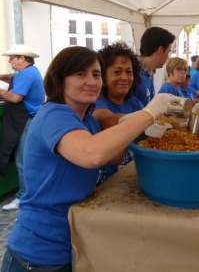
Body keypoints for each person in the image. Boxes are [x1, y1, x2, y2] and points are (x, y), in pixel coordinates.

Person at [0, 46, 181, 272]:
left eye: (96, 74)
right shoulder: (54, 114)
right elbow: (92, 155)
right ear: (60, 79)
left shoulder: (86, 119)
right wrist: (151, 112)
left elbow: (113, 157)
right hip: (38, 254)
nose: (91, 81)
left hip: (73, 243)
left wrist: (132, 125)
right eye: (80, 74)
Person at [0, 44, 45, 211]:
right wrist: (4, 77)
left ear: (22, 59)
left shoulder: (26, 75)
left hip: (25, 121)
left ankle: (23, 197)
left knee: (22, 161)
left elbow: (15, 97)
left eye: (12, 57)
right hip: (31, 119)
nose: (10, 61)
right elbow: (14, 78)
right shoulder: (31, 72)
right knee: (28, 159)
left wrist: (1, 92)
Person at [92, 42, 143, 183]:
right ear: (102, 76)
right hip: (106, 185)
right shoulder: (97, 102)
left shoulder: (134, 103)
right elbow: (109, 121)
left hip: (130, 179)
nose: (125, 78)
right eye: (117, 72)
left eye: (129, 72)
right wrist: (152, 114)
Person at [136, 26, 176, 106]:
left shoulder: (149, 73)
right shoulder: (134, 74)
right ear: (160, 50)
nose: (168, 58)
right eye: (168, 52)